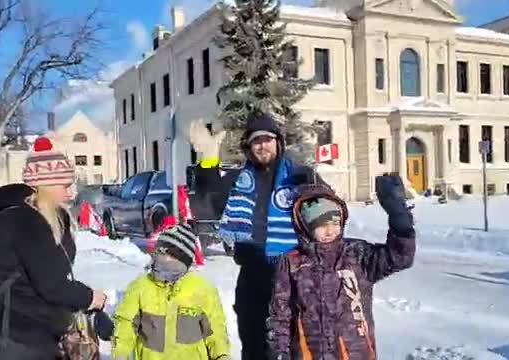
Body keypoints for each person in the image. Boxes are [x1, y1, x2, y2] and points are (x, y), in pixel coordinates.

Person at [189, 113, 325, 360]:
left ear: (278, 142)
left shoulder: (300, 175)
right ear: (249, 147)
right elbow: (210, 196)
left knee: (293, 347)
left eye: (267, 139)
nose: (262, 145)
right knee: (253, 347)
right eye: (256, 141)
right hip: (252, 277)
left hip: (292, 278)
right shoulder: (239, 180)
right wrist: (208, 162)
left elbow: (328, 215)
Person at [0, 137, 108, 360]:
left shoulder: (8, 216)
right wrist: (92, 298)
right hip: (15, 341)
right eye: (65, 186)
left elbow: (33, 279)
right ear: (46, 185)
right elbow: (52, 286)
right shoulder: (28, 221)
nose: (71, 194)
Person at [267, 176, 416, 360]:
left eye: (334, 223)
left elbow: (400, 258)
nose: (330, 231)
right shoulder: (292, 262)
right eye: (321, 225)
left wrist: (400, 219)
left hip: (356, 353)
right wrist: (279, 352)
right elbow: (281, 314)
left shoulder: (356, 254)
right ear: (305, 225)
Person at [111, 223, 230, 360]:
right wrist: (120, 353)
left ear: (182, 259)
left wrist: (222, 355)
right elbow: (125, 324)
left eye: (167, 253)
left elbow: (216, 330)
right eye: (159, 251)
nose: (161, 257)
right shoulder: (140, 287)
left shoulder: (202, 290)